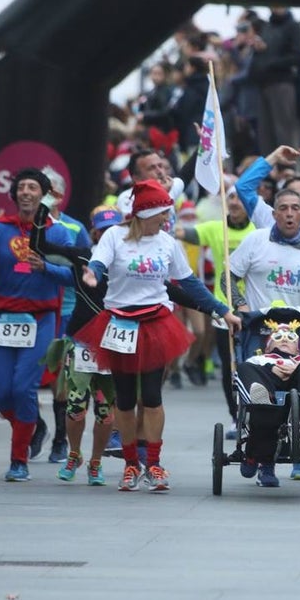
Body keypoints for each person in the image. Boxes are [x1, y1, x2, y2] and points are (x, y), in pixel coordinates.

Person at [77, 179, 241, 493]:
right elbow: (97, 262)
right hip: (120, 323)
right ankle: (129, 464)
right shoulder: (115, 236)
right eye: (161, 215)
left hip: (154, 322)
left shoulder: (167, 243)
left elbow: (190, 284)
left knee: (152, 396)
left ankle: (153, 462)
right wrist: (92, 274)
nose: (166, 221)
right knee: (124, 400)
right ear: (142, 214)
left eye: (167, 214)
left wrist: (222, 311)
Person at [0, 168, 76, 482]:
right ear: (14, 195)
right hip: (5, 319)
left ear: (44, 195)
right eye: (21, 187)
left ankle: (19, 459)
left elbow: (74, 276)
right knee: (2, 394)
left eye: (33, 187)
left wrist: (47, 268)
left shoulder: (57, 233)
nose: (26, 192)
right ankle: (32, 425)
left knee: (23, 388)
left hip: (41, 319)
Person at [229, 186, 300, 479]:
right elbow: (230, 277)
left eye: (295, 208)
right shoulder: (255, 241)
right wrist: (240, 306)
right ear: (273, 213)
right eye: (283, 208)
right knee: (255, 377)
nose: (289, 213)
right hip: (260, 332)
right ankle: (265, 460)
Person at [174, 183, 256, 425]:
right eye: (231, 197)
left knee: (253, 365)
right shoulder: (214, 228)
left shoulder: (260, 231)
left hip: (255, 309)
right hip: (224, 309)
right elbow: (180, 233)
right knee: (230, 366)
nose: (234, 202)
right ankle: (235, 417)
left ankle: (257, 414)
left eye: (240, 198)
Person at [238, 320, 300, 487]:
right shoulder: (259, 359)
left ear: (297, 348)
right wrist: (271, 368)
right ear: (268, 346)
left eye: (290, 337)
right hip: (267, 384)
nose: (284, 339)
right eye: (278, 337)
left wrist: (295, 367)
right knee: (244, 367)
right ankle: (264, 400)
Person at [38, 166, 93, 463]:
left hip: (68, 310)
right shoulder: (23, 227)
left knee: (60, 377)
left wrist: (48, 269)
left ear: (57, 196)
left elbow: (85, 273)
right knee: (30, 375)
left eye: (46, 191)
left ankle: (60, 438)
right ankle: (36, 425)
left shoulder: (74, 229)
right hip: (32, 309)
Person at [250, 6, 300, 153]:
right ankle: (270, 170)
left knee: (284, 132)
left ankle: (288, 169)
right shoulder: (267, 27)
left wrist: (271, 61)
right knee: (265, 133)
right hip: (264, 84)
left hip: (282, 83)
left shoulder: (292, 26)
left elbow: (297, 56)